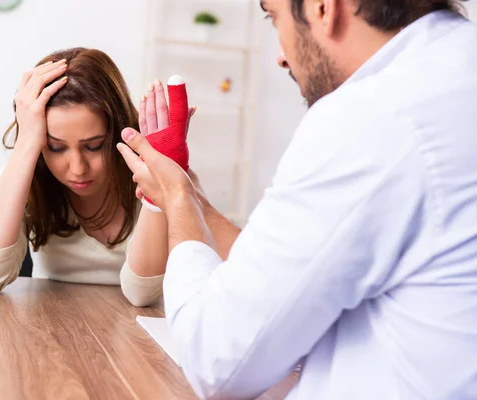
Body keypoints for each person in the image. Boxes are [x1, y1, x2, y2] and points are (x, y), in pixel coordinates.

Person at [117, 1, 477, 398]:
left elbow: (216, 360)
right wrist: (185, 194)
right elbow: (289, 270)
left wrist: (179, 200)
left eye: (274, 17)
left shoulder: (371, 116)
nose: (280, 57)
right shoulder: (453, 71)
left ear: (324, 8)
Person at [0, 47, 193, 307]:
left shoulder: (150, 175)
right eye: (56, 147)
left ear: (116, 132)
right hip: (54, 331)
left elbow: (142, 294)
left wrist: (155, 194)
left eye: (94, 146)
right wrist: (26, 143)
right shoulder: (27, 175)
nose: (78, 168)